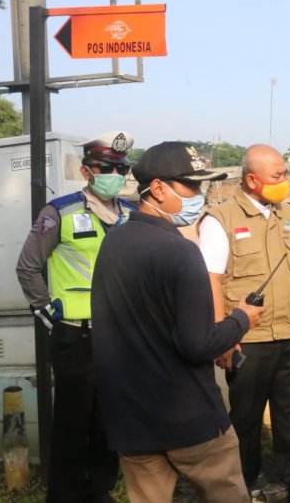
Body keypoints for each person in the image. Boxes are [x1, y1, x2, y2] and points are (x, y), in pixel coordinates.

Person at [90, 141, 264, 502]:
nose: (199, 195)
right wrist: (241, 319)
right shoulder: (181, 252)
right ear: (157, 188)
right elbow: (198, 344)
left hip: (132, 421)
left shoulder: (113, 244)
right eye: (192, 186)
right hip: (189, 421)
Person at [16, 131, 136, 502]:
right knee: (72, 420)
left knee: (109, 418)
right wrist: (47, 312)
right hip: (75, 336)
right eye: (106, 167)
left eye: (121, 167)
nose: (114, 173)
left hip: (118, 337)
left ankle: (99, 488)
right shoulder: (60, 212)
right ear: (86, 171)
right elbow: (28, 267)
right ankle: (65, 494)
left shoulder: (131, 215)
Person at [197, 144, 290, 502]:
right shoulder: (221, 220)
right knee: (246, 419)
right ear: (252, 179)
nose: (285, 181)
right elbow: (211, 280)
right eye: (278, 175)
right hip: (248, 337)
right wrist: (223, 335)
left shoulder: (288, 214)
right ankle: (242, 486)